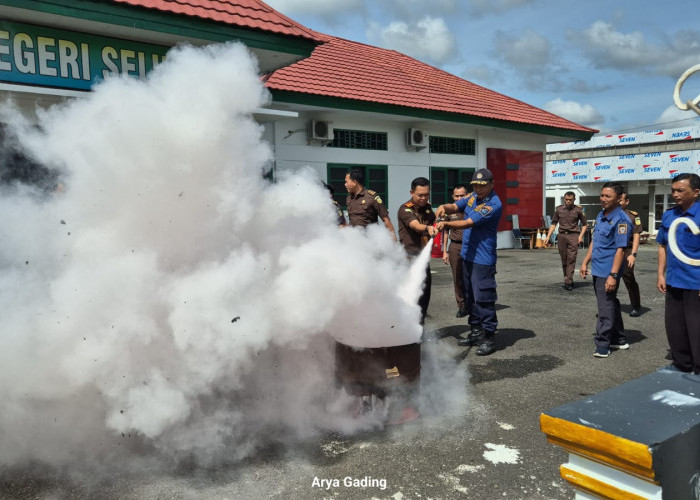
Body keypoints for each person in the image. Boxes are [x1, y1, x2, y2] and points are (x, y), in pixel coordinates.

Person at [436, 168, 502, 356]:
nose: (478, 189)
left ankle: (489, 336)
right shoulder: (473, 197)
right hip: (467, 255)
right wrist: (444, 207)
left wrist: (446, 224)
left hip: (483, 259)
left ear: (491, 184)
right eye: (475, 185)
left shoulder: (492, 204)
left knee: (484, 297)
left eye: (482, 186)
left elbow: (468, 223)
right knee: (469, 295)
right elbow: (456, 207)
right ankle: (475, 331)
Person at [579, 182, 631, 358]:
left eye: (608, 196)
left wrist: (613, 276)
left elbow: (621, 250)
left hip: (608, 270)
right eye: (602, 195)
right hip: (598, 267)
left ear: (618, 199)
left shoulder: (621, 220)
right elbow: (596, 241)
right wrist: (585, 261)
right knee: (610, 303)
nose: (603, 199)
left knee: (605, 307)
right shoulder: (602, 215)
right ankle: (619, 338)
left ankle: (603, 343)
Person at [656, 173, 700, 374]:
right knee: (675, 329)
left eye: (680, 190)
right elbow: (663, 246)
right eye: (673, 190)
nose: (675, 194)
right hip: (674, 281)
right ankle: (682, 366)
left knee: (696, 329)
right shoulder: (669, 215)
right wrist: (660, 274)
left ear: (696, 192)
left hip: (696, 283)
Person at [397, 177, 437, 324]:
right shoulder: (405, 209)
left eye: (426, 194)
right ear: (411, 192)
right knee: (410, 296)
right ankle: (406, 331)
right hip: (408, 259)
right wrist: (427, 228)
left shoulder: (427, 208)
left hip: (423, 259)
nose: (423, 198)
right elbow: (415, 225)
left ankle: (419, 330)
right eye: (420, 195)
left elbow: (434, 221)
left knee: (425, 295)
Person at [545, 192, 587, 291]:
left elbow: (585, 224)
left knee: (571, 259)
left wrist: (580, 236)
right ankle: (567, 279)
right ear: (564, 199)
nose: (568, 201)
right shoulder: (559, 209)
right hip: (562, 236)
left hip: (573, 236)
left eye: (570, 200)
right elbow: (554, 223)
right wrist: (548, 236)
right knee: (564, 260)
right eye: (566, 199)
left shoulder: (578, 210)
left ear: (574, 199)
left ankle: (568, 281)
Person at [442, 185, 468, 318]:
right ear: (453, 196)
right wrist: (444, 251)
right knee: (457, 277)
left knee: (471, 277)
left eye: (462, 195)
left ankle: (472, 304)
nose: (459, 198)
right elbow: (445, 231)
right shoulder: (449, 211)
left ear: (467, 195)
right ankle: (462, 306)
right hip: (455, 247)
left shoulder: (471, 208)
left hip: (470, 246)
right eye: (456, 196)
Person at [345, 169, 396, 238]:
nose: (345, 185)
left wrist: (393, 238)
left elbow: (386, 219)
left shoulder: (372, 197)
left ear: (354, 182)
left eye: (346, 182)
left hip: (370, 240)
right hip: (354, 240)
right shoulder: (349, 198)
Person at [619, 191, 643, 316]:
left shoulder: (633, 216)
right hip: (612, 251)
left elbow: (636, 235)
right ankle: (608, 307)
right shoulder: (609, 214)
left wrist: (633, 254)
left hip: (627, 251)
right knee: (608, 278)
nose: (618, 202)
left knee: (628, 276)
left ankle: (636, 305)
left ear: (627, 202)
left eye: (621, 200)